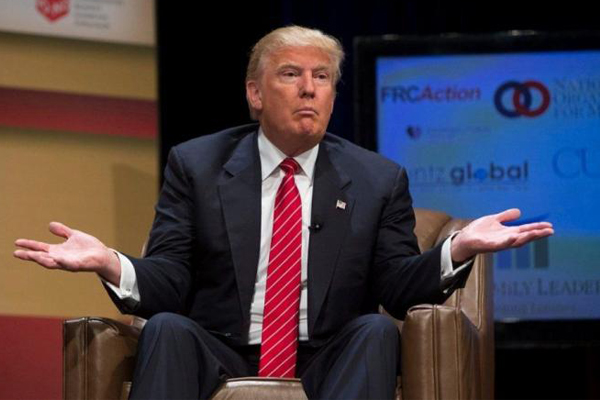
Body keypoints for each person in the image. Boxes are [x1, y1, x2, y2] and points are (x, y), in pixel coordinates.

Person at [14, 26, 553, 400]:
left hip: (328, 352)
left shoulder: (376, 178)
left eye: (322, 77)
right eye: (291, 74)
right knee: (169, 329)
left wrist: (457, 248)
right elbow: (170, 280)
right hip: (220, 346)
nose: (309, 89)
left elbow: (395, 287)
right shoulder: (198, 165)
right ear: (255, 93)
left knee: (375, 330)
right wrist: (110, 262)